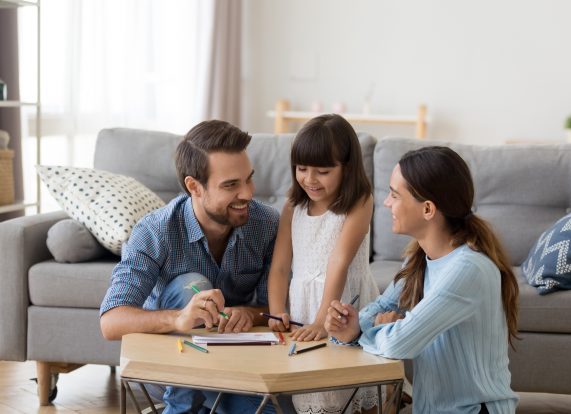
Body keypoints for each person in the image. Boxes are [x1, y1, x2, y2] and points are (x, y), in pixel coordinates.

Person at [99, 120, 286, 414]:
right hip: (171, 367)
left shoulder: (266, 225)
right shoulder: (155, 231)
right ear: (194, 187)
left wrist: (247, 314)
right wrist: (178, 319)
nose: (248, 193)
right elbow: (111, 321)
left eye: (248, 179)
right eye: (231, 185)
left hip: (236, 366)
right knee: (194, 286)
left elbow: (271, 308)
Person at [325, 146, 520, 414]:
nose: (386, 203)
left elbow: (397, 343)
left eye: (394, 195)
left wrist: (362, 331)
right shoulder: (420, 259)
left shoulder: (468, 269)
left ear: (428, 209)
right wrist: (356, 325)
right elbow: (379, 308)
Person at [267, 114, 381, 414]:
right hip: (305, 306)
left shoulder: (360, 200)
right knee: (316, 394)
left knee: (351, 386)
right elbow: (280, 266)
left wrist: (321, 320)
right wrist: (278, 310)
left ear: (347, 168)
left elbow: (339, 260)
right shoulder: (294, 205)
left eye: (323, 171)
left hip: (342, 304)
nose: (310, 179)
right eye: (302, 169)